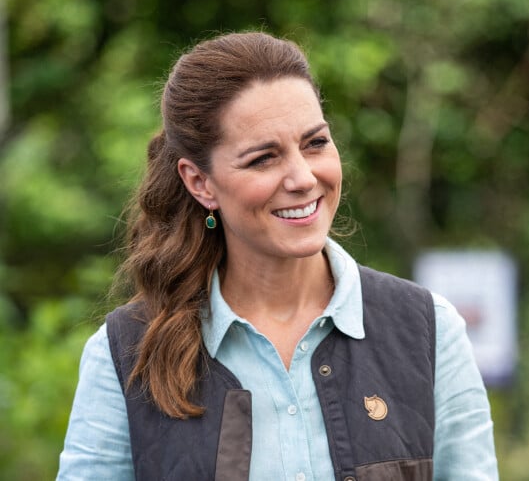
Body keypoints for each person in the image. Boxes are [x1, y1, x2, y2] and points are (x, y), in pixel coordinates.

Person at [57, 31, 498, 481]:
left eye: (315, 143)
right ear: (200, 183)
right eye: (264, 158)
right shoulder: (127, 355)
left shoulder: (429, 331)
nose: (303, 177)